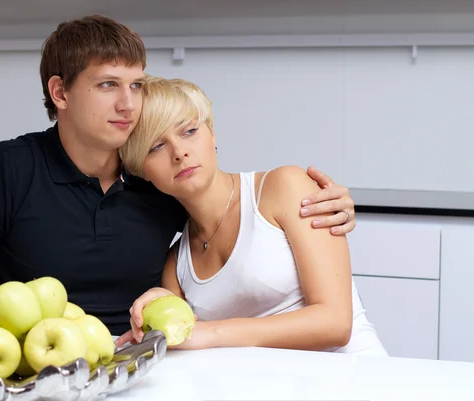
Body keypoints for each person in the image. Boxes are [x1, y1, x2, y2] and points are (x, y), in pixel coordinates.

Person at [0, 15, 357, 337]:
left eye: (135, 85)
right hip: (40, 362)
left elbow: (231, 200)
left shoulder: (154, 174)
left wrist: (331, 202)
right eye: (108, 85)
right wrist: (48, 316)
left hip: (141, 363)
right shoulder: (8, 169)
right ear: (60, 92)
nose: (128, 104)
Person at [115, 76, 387, 356]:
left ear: (212, 134)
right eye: (156, 146)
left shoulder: (284, 187)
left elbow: (335, 324)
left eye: (189, 131)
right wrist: (161, 307)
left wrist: (211, 332)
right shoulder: (176, 265)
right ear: (141, 170)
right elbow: (186, 340)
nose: (179, 152)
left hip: (356, 378)